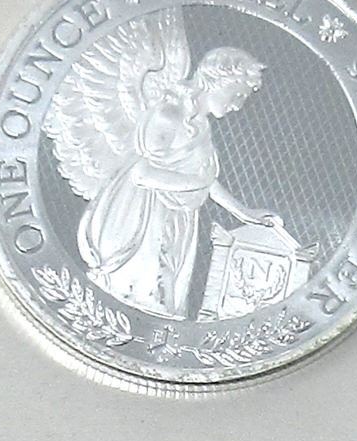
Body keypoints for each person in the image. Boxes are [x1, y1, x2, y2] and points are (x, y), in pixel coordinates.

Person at [77, 46, 281, 319]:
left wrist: (244, 213)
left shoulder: (200, 125)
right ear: (219, 81)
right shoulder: (168, 115)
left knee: (166, 295)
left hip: (177, 218)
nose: (238, 104)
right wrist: (193, 182)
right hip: (146, 215)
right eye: (238, 94)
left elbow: (206, 180)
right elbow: (142, 174)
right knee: (142, 293)